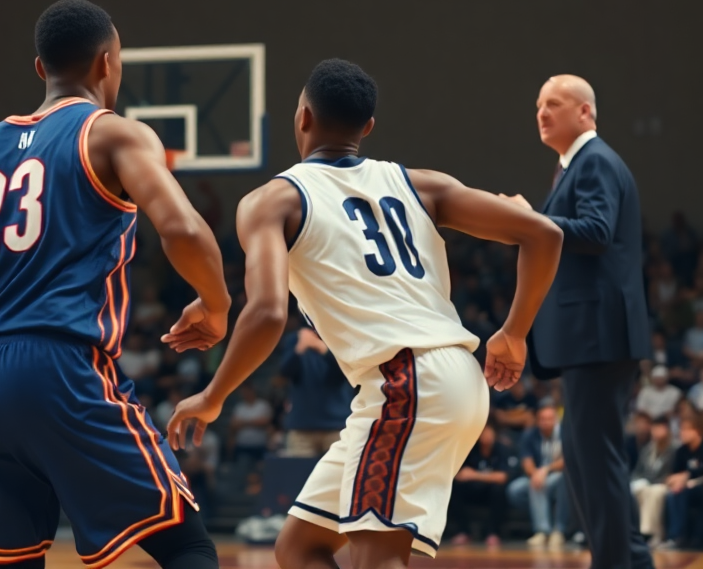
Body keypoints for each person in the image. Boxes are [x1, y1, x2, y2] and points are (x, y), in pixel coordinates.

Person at [0, 0, 230, 569]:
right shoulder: (113, 135)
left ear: (40, 69)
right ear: (108, 63)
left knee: (12, 562)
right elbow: (181, 228)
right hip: (57, 364)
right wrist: (216, 303)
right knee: (184, 543)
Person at [167, 58, 562, 569]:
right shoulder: (421, 184)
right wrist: (513, 333)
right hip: (437, 381)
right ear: (368, 128)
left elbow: (267, 313)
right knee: (299, 547)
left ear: (302, 116)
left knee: (375, 559)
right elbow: (543, 233)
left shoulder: (270, 201)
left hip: (407, 384)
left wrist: (212, 395)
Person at [504, 74, 653, 569]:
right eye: (538, 105)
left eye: (554, 104)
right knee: (587, 461)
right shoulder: (577, 165)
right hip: (591, 337)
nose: (541, 113)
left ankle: (618, 562)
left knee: (597, 461)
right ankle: (627, 559)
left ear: (585, 112)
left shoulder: (594, 162)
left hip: (599, 333)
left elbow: (595, 230)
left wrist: (531, 221)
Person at [277, 326, 353, 458]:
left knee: (339, 477)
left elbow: (348, 372)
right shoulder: (296, 338)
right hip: (302, 426)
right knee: (298, 476)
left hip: (337, 425)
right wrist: (299, 348)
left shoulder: (341, 335)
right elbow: (285, 372)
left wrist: (322, 348)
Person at [506, 403, 569, 550]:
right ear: (537, 420)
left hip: (558, 476)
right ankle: (544, 527)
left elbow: (568, 461)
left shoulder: (565, 433)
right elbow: (526, 461)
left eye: (549, 418)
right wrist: (536, 474)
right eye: (542, 419)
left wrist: (545, 470)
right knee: (515, 490)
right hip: (537, 476)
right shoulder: (530, 434)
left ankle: (552, 531)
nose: (546, 422)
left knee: (561, 481)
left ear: (556, 419)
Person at [448, 421, 512, 548]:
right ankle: (464, 531)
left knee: (499, 490)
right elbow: (460, 475)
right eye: (483, 432)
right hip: (472, 490)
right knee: (454, 488)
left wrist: (475, 475)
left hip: (490, 491)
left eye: (489, 432)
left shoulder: (501, 449)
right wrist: (487, 476)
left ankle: (493, 533)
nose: (486, 436)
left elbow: (502, 477)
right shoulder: (470, 449)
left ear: (494, 434)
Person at [662, 416, 703, 549]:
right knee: (674, 493)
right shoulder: (681, 451)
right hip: (687, 488)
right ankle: (676, 537)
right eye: (681, 430)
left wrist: (686, 476)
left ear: (697, 431)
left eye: (686, 430)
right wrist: (676, 481)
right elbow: (671, 476)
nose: (682, 433)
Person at [630, 416, 674, 547]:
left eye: (660, 428)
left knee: (654, 492)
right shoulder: (647, 449)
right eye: (654, 428)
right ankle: (635, 532)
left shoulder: (673, 448)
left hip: (663, 484)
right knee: (637, 490)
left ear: (666, 429)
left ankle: (653, 533)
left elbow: (671, 471)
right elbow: (637, 470)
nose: (656, 431)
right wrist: (638, 480)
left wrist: (655, 482)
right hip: (647, 484)